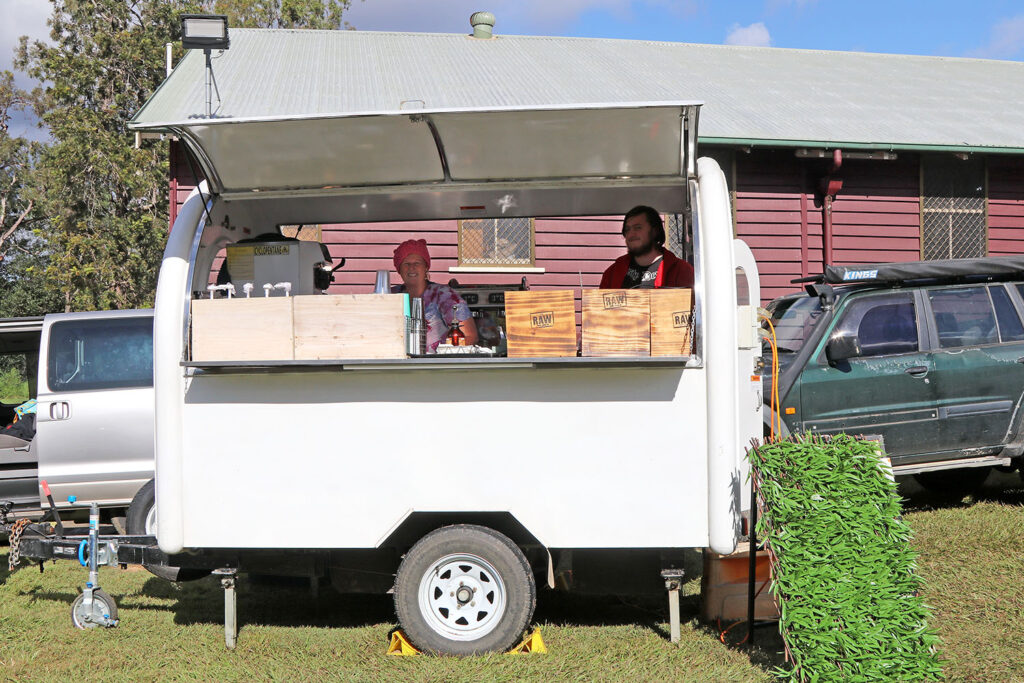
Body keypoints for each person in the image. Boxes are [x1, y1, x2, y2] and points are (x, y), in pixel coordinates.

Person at [391, 239, 478, 352]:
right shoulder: (391, 296)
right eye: (406, 264)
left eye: (417, 263)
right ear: (399, 269)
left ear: (426, 267)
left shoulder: (445, 296)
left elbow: (469, 336)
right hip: (395, 365)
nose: (411, 267)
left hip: (437, 366)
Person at [599, 206, 694, 289]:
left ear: (655, 231)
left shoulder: (681, 271)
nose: (631, 234)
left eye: (638, 227)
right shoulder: (612, 272)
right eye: (627, 229)